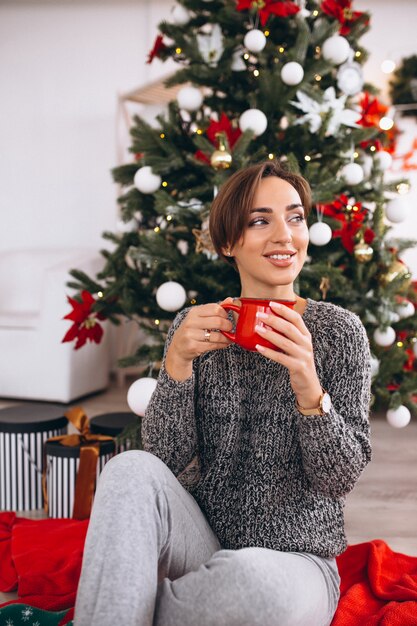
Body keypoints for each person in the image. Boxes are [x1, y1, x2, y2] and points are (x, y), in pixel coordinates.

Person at [74, 160, 372, 626]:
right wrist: (176, 367)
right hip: (203, 539)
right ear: (228, 243)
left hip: (296, 564)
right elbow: (165, 461)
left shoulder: (338, 333)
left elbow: (338, 479)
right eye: (260, 220)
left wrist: (308, 386)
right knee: (129, 467)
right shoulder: (197, 328)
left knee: (253, 582)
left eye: (294, 217)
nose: (284, 235)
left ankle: (129, 608)